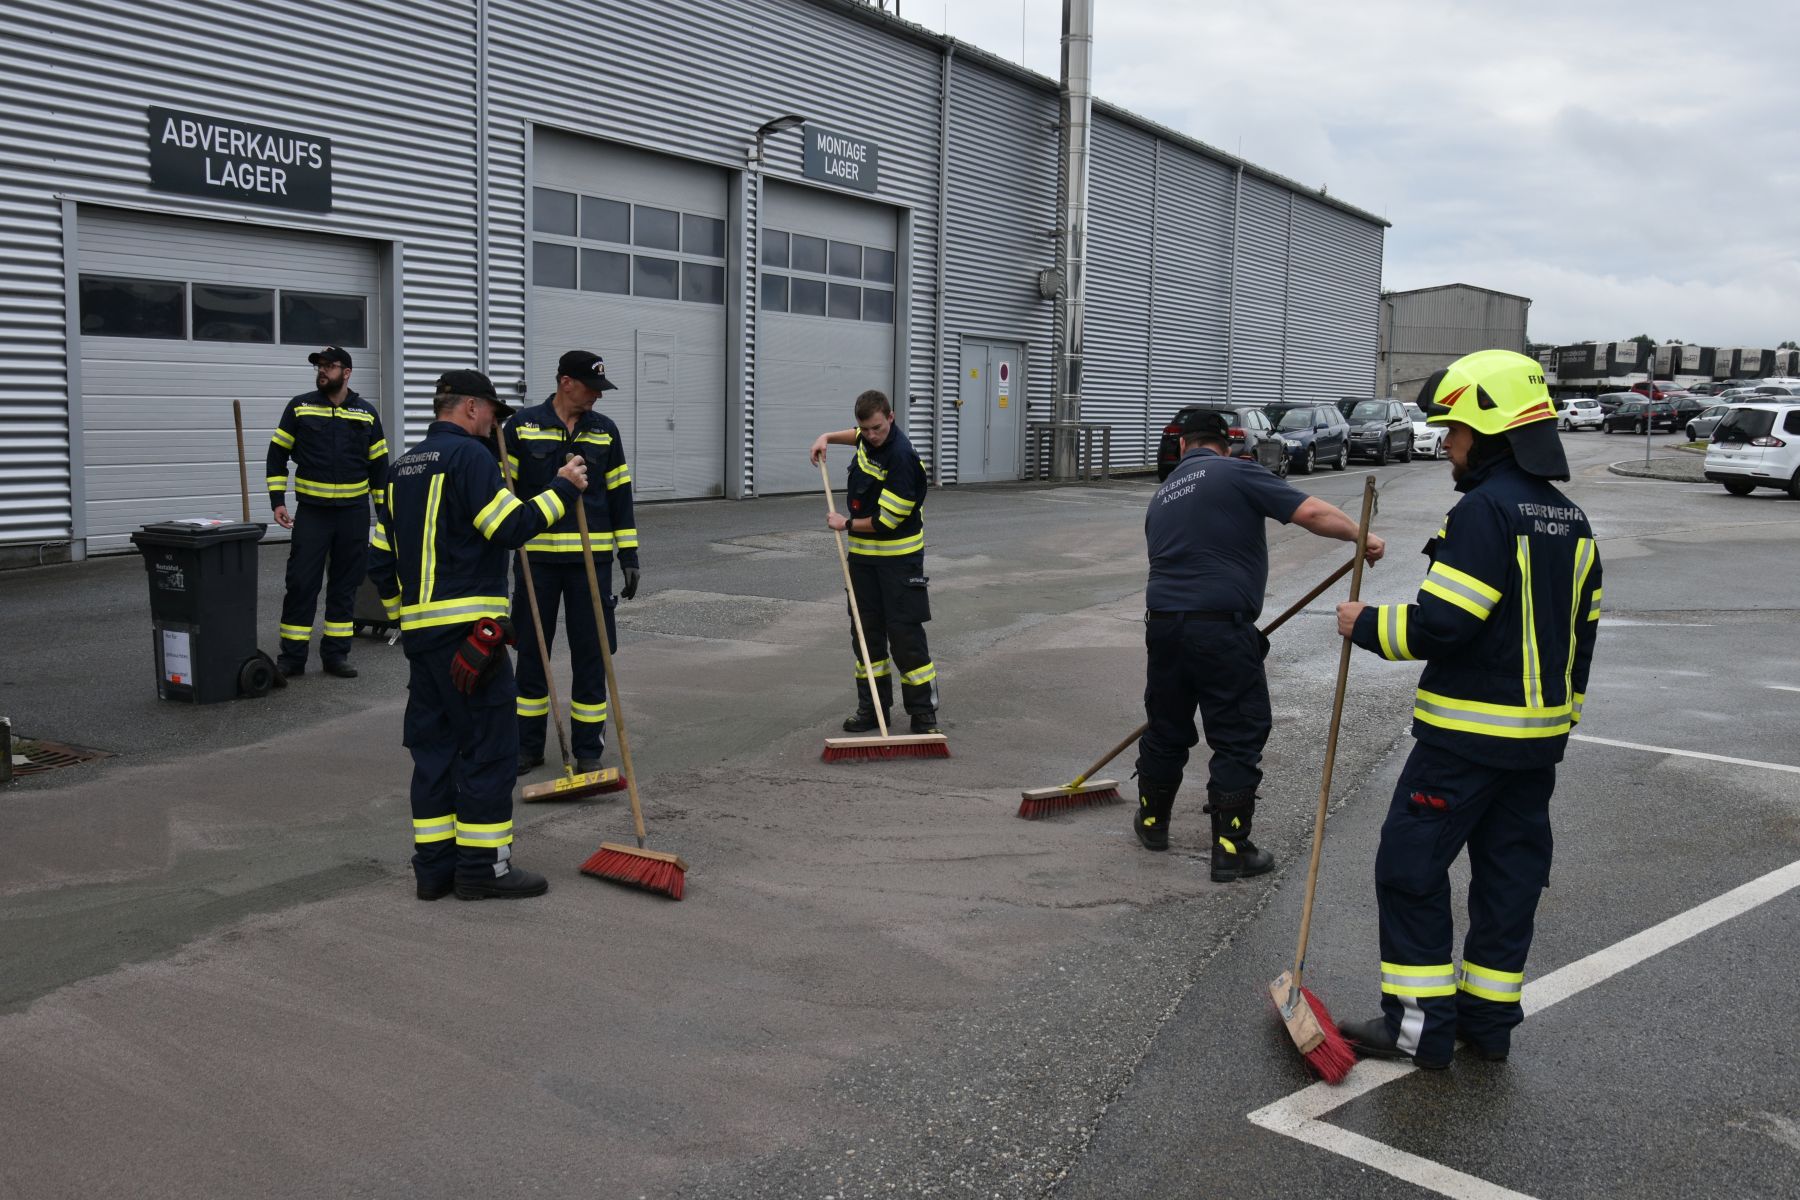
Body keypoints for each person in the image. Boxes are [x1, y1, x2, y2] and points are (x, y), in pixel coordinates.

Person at [1334, 349, 1601, 1068]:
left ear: (1488, 430)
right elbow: (1583, 637)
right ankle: (1488, 1027)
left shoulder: (1483, 511)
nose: (1446, 443)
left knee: (1409, 867)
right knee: (1509, 880)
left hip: (1464, 743)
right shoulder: (1569, 520)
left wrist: (1362, 624)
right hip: (1536, 747)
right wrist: (1560, 721)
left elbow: (1441, 624)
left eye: (1454, 430)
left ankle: (1417, 1028)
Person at [1135, 408, 1384, 880]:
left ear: (1184, 446)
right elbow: (1310, 512)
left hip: (1163, 626)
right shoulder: (1236, 471)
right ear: (1225, 443)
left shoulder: (1162, 494)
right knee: (1237, 734)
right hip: (1220, 629)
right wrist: (1362, 536)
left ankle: (1151, 823)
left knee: (1167, 725)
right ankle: (1231, 849)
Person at [368, 370, 587, 901]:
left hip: (422, 639)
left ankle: (435, 870)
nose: (496, 424)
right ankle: (483, 870)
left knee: (435, 751)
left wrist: (405, 618)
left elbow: (378, 560)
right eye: (493, 413)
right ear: (470, 407)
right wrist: (564, 487)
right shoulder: (470, 459)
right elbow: (510, 527)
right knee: (489, 748)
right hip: (473, 637)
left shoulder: (400, 469)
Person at [502, 350, 640, 776]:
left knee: (591, 655)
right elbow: (504, 492)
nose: (597, 396)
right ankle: (527, 747)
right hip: (536, 561)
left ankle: (588, 750)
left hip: (590, 562)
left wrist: (629, 554)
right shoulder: (521, 426)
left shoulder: (604, 431)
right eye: (590, 388)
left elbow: (619, 494)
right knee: (532, 654)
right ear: (565, 382)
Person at [809, 390, 940, 735]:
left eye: (877, 429)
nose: (870, 436)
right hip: (863, 564)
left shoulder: (902, 458)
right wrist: (825, 438)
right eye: (865, 430)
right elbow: (855, 436)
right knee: (865, 638)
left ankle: (923, 713)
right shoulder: (869, 438)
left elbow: (886, 522)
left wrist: (845, 524)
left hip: (899, 564)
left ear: (891, 418)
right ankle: (872, 708)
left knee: (905, 637)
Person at [266, 345, 389, 678]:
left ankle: (335, 655)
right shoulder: (301, 407)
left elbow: (379, 468)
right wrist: (277, 500)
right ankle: (292, 658)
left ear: (346, 372)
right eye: (319, 366)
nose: (322, 371)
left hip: (352, 514)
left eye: (329, 366)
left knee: (345, 586)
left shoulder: (366, 413)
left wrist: (385, 515)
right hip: (313, 514)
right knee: (302, 584)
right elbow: (277, 454)